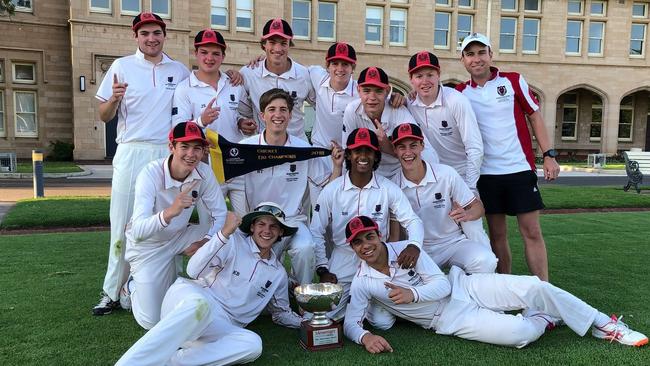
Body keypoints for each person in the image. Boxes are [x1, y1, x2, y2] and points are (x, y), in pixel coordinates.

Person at [343, 215, 649, 354]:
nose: (365, 245)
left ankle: (604, 324)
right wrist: (364, 337)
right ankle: (544, 316)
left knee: (534, 286)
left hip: (464, 287)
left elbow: (442, 286)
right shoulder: (362, 282)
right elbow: (351, 323)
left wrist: (413, 294)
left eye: (369, 237)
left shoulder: (408, 249)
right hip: (448, 319)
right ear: (353, 248)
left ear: (379, 235)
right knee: (520, 333)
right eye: (357, 243)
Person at [115, 204, 305, 366]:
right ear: (253, 227)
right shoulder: (233, 242)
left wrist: (308, 322)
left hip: (218, 326)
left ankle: (172, 362)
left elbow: (281, 313)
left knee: (253, 344)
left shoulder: (278, 273)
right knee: (199, 306)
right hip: (193, 297)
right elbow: (194, 271)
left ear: (281, 232)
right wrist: (223, 234)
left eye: (273, 226)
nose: (267, 231)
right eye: (261, 224)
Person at [93, 12, 190, 315]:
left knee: (169, 222)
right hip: (132, 150)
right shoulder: (121, 66)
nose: (151, 39)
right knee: (123, 223)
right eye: (145, 33)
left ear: (164, 36)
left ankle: (166, 288)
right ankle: (111, 291)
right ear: (136, 37)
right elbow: (103, 115)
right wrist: (114, 100)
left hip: (167, 152)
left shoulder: (180, 70)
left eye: (156, 33)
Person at [456, 33, 560, 281]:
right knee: (497, 235)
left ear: (491, 55)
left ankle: (543, 291)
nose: (476, 59)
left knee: (532, 231)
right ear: (463, 60)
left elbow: (534, 116)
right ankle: (504, 289)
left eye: (481, 52)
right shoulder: (460, 93)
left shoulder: (513, 81)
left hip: (518, 169)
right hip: (486, 175)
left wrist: (549, 155)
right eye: (470, 54)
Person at [122, 121, 227, 329]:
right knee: (152, 321)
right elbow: (139, 231)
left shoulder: (204, 172)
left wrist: (205, 241)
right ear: (171, 147)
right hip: (147, 246)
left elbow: (221, 215)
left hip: (180, 236)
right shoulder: (150, 173)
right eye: (185, 147)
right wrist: (171, 211)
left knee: (227, 236)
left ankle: (216, 293)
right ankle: (130, 286)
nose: (191, 154)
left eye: (197, 148)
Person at [311, 127, 424, 321]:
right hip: (344, 257)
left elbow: (412, 220)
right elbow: (316, 230)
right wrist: (323, 268)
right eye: (357, 151)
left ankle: (367, 303)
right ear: (348, 154)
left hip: (378, 259)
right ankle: (353, 301)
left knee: (382, 322)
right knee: (327, 316)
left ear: (376, 155)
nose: (363, 156)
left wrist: (414, 245)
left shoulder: (388, 188)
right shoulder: (332, 189)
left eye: (368, 151)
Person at [238, 88, 343, 284]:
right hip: (260, 224)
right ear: (262, 115)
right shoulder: (246, 148)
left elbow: (326, 188)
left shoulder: (303, 149)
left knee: (305, 247)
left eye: (283, 110)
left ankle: (303, 295)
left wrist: (337, 167)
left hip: (293, 221)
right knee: (261, 283)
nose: (277, 115)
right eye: (272, 109)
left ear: (290, 115)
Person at [389, 123, 497, 274]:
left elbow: (478, 208)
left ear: (422, 145)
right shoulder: (393, 186)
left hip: (452, 243)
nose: (408, 152)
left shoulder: (446, 174)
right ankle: (456, 282)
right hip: (418, 248)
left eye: (413, 145)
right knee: (406, 280)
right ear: (395, 150)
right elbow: (395, 234)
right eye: (402, 147)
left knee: (486, 261)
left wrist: (467, 214)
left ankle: (457, 283)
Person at [405, 51, 489, 245]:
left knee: (472, 229)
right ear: (411, 79)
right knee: (430, 232)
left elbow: (475, 147)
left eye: (430, 74)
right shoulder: (408, 104)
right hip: (430, 179)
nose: (425, 81)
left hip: (460, 176)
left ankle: (487, 273)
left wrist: (469, 187)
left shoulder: (456, 100)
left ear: (438, 74)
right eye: (419, 76)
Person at [172, 28, 248, 216]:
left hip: (237, 163)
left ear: (223, 55)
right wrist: (201, 121)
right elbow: (178, 130)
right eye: (204, 52)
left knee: (246, 224)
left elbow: (239, 113)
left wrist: (241, 122)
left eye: (215, 53)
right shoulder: (184, 88)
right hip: (206, 167)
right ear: (195, 53)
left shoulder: (234, 83)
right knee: (211, 226)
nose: (209, 58)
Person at [342, 66, 439, 179]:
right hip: (370, 173)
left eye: (378, 91)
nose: (372, 97)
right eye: (366, 91)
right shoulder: (351, 110)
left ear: (387, 91)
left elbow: (431, 157)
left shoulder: (398, 111)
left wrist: (388, 147)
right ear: (359, 90)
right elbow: (347, 153)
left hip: (401, 173)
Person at [238, 18, 315, 140]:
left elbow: (322, 108)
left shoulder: (304, 74)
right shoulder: (248, 73)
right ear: (264, 44)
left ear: (290, 44)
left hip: (297, 147)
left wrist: (318, 138)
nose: (278, 49)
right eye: (272, 42)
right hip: (262, 149)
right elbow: (237, 109)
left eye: (283, 43)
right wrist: (241, 121)